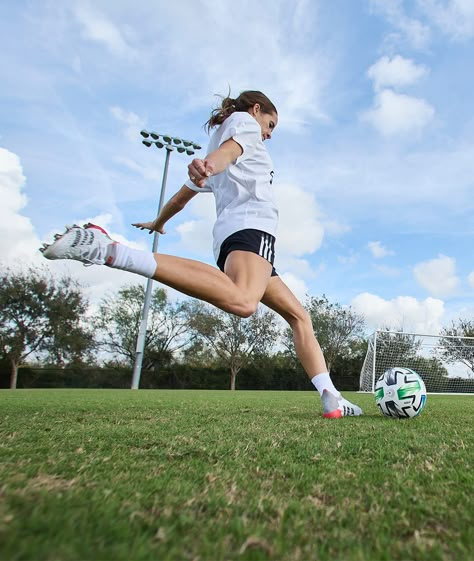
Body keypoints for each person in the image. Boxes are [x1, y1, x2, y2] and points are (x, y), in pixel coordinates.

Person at [41, 90, 363, 418]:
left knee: (299, 316)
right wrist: (211, 164)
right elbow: (227, 153)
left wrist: (159, 221)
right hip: (253, 231)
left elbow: (183, 196)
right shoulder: (244, 125)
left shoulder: (225, 140)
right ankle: (111, 251)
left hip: (238, 239)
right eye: (270, 123)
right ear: (256, 110)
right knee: (243, 302)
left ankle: (330, 396)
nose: (268, 133)